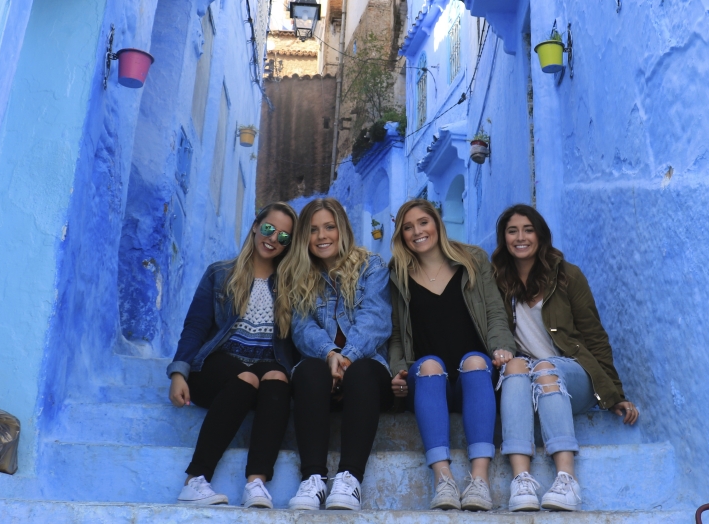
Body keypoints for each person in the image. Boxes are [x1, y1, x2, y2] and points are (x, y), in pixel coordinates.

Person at [489, 204, 639, 512]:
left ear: (541, 235)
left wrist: (615, 393)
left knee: (545, 367)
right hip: (526, 377)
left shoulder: (568, 275)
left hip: (573, 373)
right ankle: (522, 481)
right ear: (503, 238)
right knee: (516, 365)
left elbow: (595, 335)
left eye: (528, 230)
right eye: (512, 231)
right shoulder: (497, 281)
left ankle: (567, 479)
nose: (520, 237)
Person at [166, 202, 299, 509]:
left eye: (283, 236)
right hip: (218, 363)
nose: (273, 238)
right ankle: (195, 481)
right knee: (246, 377)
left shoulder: (290, 284)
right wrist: (178, 372)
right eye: (268, 229)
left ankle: (256, 483)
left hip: (265, 367)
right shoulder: (220, 273)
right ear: (255, 226)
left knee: (278, 377)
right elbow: (196, 326)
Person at [387, 199, 515, 511]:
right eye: (408, 227)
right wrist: (399, 371)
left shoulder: (473, 259)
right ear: (401, 235)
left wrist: (502, 348)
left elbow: (496, 313)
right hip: (429, 382)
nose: (417, 231)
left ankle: (479, 480)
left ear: (437, 223)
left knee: (475, 360)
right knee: (430, 365)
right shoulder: (397, 273)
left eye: (423, 223)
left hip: (475, 379)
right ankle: (443, 479)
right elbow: (394, 333)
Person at [280, 197, 394, 511]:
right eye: (313, 230)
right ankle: (313, 479)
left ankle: (349, 479)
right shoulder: (299, 275)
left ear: (342, 229)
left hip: (366, 374)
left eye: (329, 227)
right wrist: (330, 353)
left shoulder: (371, 266)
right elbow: (302, 329)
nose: (322, 236)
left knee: (362, 372)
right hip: (321, 376)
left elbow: (376, 319)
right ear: (305, 236)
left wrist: (348, 357)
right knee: (308, 370)